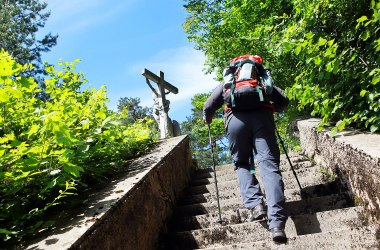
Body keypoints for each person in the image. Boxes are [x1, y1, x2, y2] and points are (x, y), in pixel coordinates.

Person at [203, 56, 289, 243]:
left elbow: (209, 106)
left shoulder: (230, 80)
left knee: (242, 163)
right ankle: (277, 225)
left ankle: (256, 205)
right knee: (269, 166)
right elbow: (284, 100)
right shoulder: (260, 79)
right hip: (262, 118)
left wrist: (207, 119)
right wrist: (272, 108)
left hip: (235, 120)